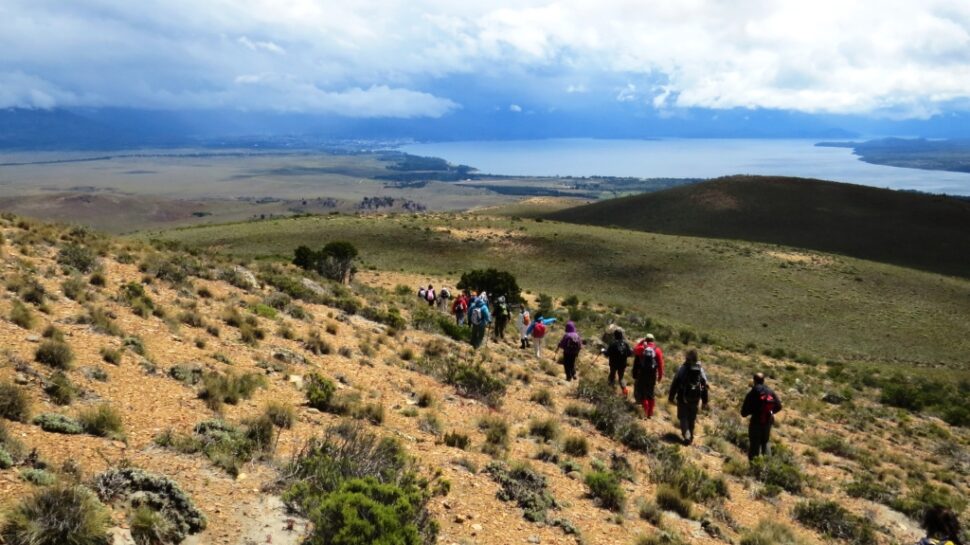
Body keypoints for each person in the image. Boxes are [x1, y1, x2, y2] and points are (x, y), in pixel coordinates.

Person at [668, 349, 708, 445]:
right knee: (692, 418)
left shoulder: (682, 368)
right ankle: (690, 437)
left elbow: (675, 383)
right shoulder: (700, 370)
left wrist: (671, 396)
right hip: (695, 399)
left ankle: (687, 436)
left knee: (683, 417)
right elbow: (704, 385)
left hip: (683, 398)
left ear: (687, 358)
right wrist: (705, 401)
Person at [740, 372, 783, 460]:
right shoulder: (770, 391)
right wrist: (770, 412)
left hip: (756, 421)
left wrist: (752, 411)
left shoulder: (753, 392)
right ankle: (767, 464)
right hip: (767, 421)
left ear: (754, 381)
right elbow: (779, 406)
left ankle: (754, 465)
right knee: (765, 441)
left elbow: (743, 413)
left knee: (754, 443)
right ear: (763, 381)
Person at [632, 333, 665, 418]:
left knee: (643, 393)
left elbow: (634, 350)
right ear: (653, 340)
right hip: (652, 375)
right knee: (650, 393)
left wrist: (642, 342)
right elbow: (660, 364)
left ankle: (645, 411)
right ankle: (650, 413)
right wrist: (660, 376)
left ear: (646, 339)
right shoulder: (657, 350)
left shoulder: (642, 348)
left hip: (642, 374)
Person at [604, 329, 633, 396]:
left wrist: (603, 351)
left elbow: (607, 354)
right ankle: (625, 391)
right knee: (621, 378)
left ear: (615, 336)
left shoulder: (612, 344)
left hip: (613, 363)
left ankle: (610, 391)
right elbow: (629, 354)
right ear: (622, 336)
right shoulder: (625, 344)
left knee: (612, 376)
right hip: (622, 364)